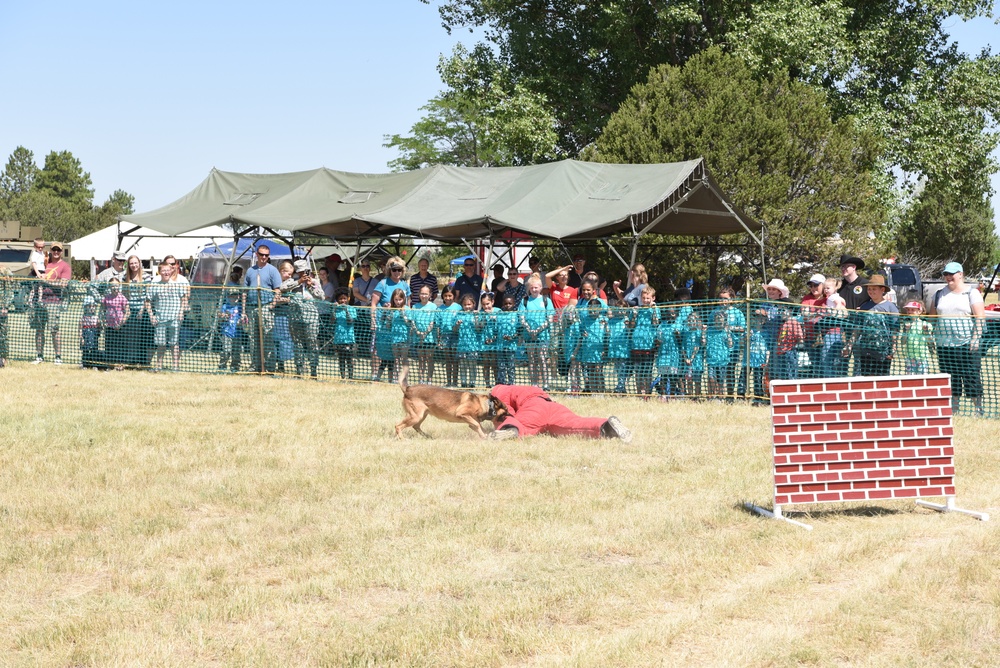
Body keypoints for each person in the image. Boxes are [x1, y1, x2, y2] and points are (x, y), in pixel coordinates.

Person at [930, 261, 986, 414]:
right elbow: (932, 318)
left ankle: (978, 409)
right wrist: (929, 336)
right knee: (950, 377)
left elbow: (980, 317)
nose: (948, 277)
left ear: (960, 274)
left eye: (951, 274)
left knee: (971, 376)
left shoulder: (972, 293)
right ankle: (954, 409)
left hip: (967, 344)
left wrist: (975, 338)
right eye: (946, 274)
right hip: (944, 345)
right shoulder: (939, 294)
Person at [488, 384, 632, 442]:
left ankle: (510, 431)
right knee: (576, 424)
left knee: (521, 425)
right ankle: (607, 426)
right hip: (553, 406)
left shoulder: (499, 391)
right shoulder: (525, 387)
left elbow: (505, 412)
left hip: (533, 407)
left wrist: (499, 424)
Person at [845, 274, 899, 377]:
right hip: (866, 350)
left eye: (874, 289)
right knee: (867, 378)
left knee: (882, 379)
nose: (871, 291)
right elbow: (858, 328)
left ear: (882, 289)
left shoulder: (891, 307)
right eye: (869, 289)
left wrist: (894, 347)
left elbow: (894, 330)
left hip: (884, 350)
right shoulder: (865, 306)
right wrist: (849, 345)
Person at [281, 258, 326, 378]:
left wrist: (311, 286)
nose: (303, 274)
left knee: (312, 343)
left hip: (311, 319)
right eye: (300, 272)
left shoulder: (315, 281)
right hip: (295, 318)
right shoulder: (293, 281)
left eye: (304, 272)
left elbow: (321, 297)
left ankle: (313, 370)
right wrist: (299, 282)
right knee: (298, 344)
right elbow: (282, 287)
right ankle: (299, 370)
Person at [242, 244, 283, 374]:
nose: (264, 257)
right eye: (261, 254)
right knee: (254, 339)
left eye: (266, 255)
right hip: (252, 308)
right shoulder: (250, 271)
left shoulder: (273, 270)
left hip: (266, 307)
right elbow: (244, 292)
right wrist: (244, 311)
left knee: (268, 338)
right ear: (257, 255)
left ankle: (270, 367)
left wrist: (272, 305)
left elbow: (278, 290)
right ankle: (255, 365)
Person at [31, 242, 72, 365]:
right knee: (39, 329)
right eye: (54, 249)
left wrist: (47, 282)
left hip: (54, 302)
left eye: (58, 250)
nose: (56, 252)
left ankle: (58, 357)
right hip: (39, 301)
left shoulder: (65, 266)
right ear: (50, 250)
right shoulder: (44, 263)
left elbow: (64, 284)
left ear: (61, 251)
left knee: (54, 330)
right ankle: (39, 356)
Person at [144, 261, 187, 372]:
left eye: (168, 270)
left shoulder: (178, 285)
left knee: (174, 344)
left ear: (171, 270)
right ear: (159, 272)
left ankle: (175, 367)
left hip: (175, 319)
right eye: (163, 270)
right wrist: (151, 316)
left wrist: (181, 312)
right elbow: (147, 301)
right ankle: (159, 366)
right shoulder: (155, 286)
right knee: (161, 344)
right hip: (160, 319)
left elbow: (184, 299)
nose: (166, 272)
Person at [518, 275, 555, 389]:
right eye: (532, 287)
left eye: (536, 287)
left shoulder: (546, 300)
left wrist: (538, 330)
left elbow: (549, 318)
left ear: (540, 287)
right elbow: (521, 317)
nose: (534, 290)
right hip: (529, 336)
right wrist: (529, 329)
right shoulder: (525, 301)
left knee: (542, 359)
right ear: (529, 288)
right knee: (532, 359)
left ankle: (546, 384)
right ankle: (534, 383)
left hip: (543, 335)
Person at [627, 286, 660, 395]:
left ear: (653, 298)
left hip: (649, 345)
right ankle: (639, 392)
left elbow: (656, 323)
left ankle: (647, 391)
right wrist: (634, 315)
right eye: (643, 298)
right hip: (636, 344)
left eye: (648, 298)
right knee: (638, 371)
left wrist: (654, 310)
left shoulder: (655, 309)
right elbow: (631, 326)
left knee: (647, 371)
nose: (645, 300)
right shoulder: (637, 309)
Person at [122, 255, 151, 367]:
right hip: (130, 310)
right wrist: (127, 310)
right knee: (130, 337)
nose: (134, 265)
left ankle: (141, 362)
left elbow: (147, 295)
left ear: (139, 263)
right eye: (131, 263)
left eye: (135, 263)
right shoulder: (125, 277)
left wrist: (141, 310)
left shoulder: (146, 277)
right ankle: (130, 361)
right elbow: (125, 294)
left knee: (142, 338)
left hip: (142, 311)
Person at [270, 260, 297, 374]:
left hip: (285, 315)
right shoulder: (275, 283)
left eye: (291, 274)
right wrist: (283, 300)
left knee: (284, 341)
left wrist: (286, 300)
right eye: (287, 273)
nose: (289, 276)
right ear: (281, 271)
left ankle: (282, 364)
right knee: (274, 340)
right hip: (274, 315)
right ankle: (274, 364)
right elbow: (273, 298)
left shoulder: (291, 284)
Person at [409, 284, 438, 383]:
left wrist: (425, 333)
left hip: (430, 338)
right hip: (418, 338)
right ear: (419, 294)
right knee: (421, 359)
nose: (424, 296)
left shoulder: (433, 306)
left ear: (430, 295)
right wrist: (418, 332)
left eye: (426, 294)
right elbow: (412, 321)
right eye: (422, 293)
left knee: (429, 358)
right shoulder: (415, 306)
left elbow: (432, 322)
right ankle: (421, 379)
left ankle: (429, 379)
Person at [101, 278, 130, 368]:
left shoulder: (122, 298)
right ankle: (109, 364)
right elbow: (102, 310)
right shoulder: (106, 298)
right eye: (112, 286)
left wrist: (121, 323)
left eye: (116, 285)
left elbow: (128, 312)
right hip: (109, 326)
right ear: (109, 287)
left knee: (120, 345)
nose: (114, 288)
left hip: (120, 326)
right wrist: (103, 321)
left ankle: (121, 365)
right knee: (109, 345)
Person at [899, 300, 933, 375]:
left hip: (922, 357)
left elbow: (930, 342)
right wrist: (905, 331)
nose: (909, 311)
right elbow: (902, 342)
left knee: (922, 378)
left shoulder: (926, 324)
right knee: (910, 378)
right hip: (909, 357)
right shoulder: (906, 324)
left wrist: (926, 332)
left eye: (913, 310)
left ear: (919, 311)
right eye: (908, 310)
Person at [436, 285, 461, 387]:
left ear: (454, 296)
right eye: (445, 296)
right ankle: (449, 381)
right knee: (448, 359)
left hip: (456, 335)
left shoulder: (458, 307)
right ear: (443, 296)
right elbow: (437, 325)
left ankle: (455, 382)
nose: (448, 298)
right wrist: (439, 338)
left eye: (450, 295)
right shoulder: (439, 309)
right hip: (445, 335)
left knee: (455, 360)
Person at [331, 287, 357, 379]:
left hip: (349, 338)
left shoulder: (352, 309)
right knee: (341, 359)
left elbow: (350, 321)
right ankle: (343, 377)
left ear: (347, 299)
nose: (342, 301)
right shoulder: (336, 309)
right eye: (340, 299)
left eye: (344, 298)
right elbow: (332, 321)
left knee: (349, 359)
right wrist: (334, 310)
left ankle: (350, 377)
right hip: (339, 338)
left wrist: (346, 311)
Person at [495, 295, 519, 385]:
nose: (508, 305)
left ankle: (511, 382)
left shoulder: (516, 315)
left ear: (514, 304)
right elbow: (496, 330)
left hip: (511, 346)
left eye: (510, 303)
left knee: (511, 365)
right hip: (500, 346)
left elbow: (519, 331)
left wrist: (512, 337)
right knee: (501, 365)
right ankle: (501, 382)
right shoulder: (499, 315)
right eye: (506, 303)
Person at [217, 289, 243, 372]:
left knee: (236, 352)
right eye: (232, 296)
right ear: (228, 297)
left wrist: (241, 321)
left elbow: (244, 320)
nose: (234, 297)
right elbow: (219, 317)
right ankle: (222, 365)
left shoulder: (240, 307)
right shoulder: (225, 306)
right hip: (227, 332)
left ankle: (235, 367)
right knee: (226, 350)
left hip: (237, 333)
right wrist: (224, 316)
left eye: (236, 295)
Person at [478, 291, 499, 387]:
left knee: (495, 362)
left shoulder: (498, 311)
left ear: (492, 302)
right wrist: (483, 319)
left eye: (488, 304)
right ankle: (487, 383)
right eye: (483, 304)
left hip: (496, 342)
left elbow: (501, 326)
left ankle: (496, 382)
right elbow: (479, 327)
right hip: (484, 341)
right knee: (486, 363)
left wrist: (494, 318)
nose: (486, 307)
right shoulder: (481, 313)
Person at [0, 267, 13, 368]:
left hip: (1, 307)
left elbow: (9, 290)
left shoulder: (4, 271)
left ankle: (3, 358)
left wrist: (5, 306)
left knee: (3, 334)